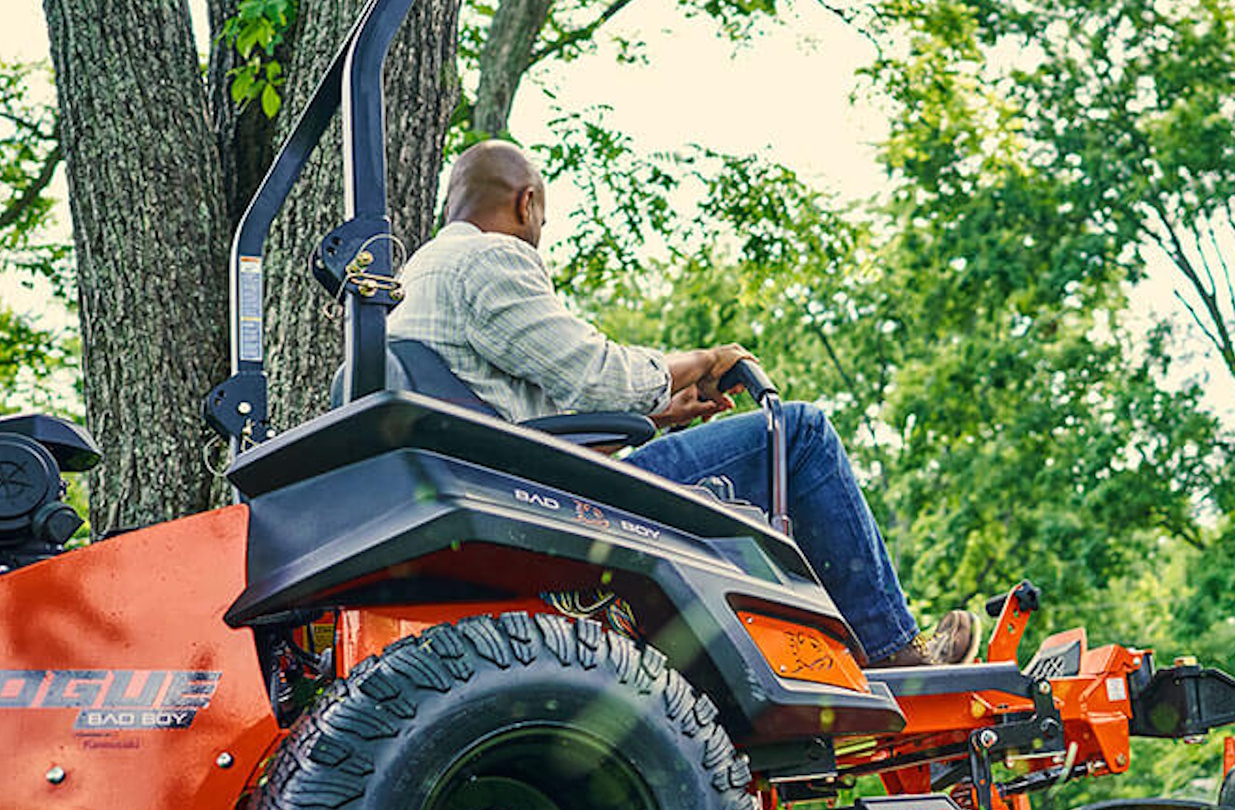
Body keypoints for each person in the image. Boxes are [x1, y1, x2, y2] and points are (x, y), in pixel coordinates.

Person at [387, 140, 976, 669]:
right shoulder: (491, 258)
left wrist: (657, 413)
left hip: (505, 494)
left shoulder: (411, 283)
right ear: (527, 203)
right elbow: (600, 378)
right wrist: (701, 360)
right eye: (542, 217)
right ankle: (893, 651)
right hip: (557, 508)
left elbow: (521, 423)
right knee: (799, 434)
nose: (540, 229)